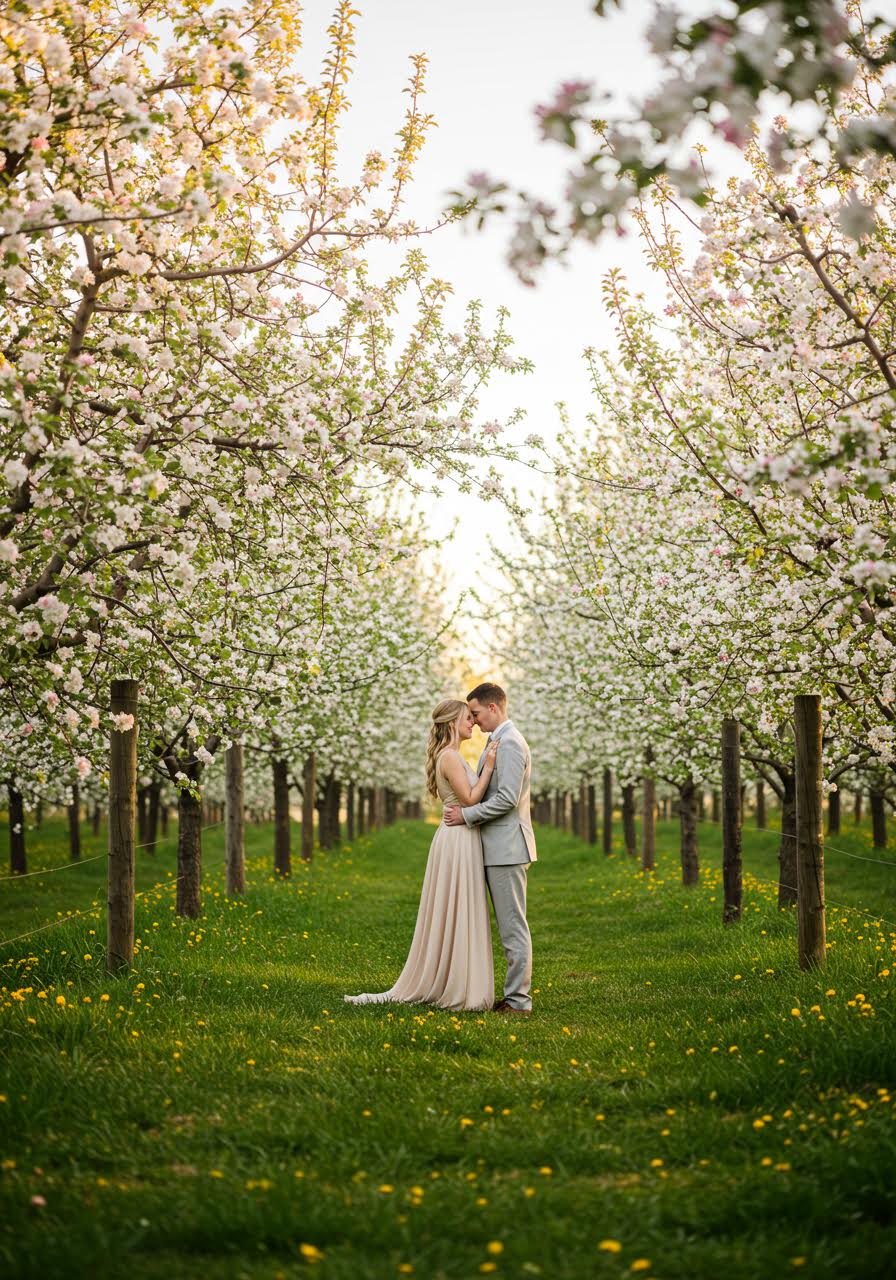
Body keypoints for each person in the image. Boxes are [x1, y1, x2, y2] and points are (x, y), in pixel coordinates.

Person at [344, 698, 499, 1011]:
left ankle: (457, 978)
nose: (472, 723)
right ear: (453, 722)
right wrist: (490, 769)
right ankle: (456, 984)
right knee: (458, 906)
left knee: (460, 907)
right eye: (468, 718)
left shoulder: (452, 755)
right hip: (457, 839)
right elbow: (469, 799)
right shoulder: (450, 757)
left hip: (460, 837)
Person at [444, 682, 536, 1015]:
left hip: (507, 848)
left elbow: (507, 799)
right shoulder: (498, 740)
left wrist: (466, 815)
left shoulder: (510, 742)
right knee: (505, 926)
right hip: (496, 847)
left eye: (477, 713)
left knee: (513, 927)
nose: (475, 720)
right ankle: (508, 995)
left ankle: (518, 1001)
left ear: (493, 708)